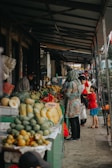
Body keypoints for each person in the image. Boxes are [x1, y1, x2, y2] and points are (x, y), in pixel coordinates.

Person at [65, 69, 81, 140]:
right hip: (77, 101)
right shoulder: (78, 82)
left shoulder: (71, 83)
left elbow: (68, 94)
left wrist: (64, 92)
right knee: (76, 119)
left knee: (72, 119)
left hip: (72, 103)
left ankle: (74, 136)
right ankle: (77, 135)